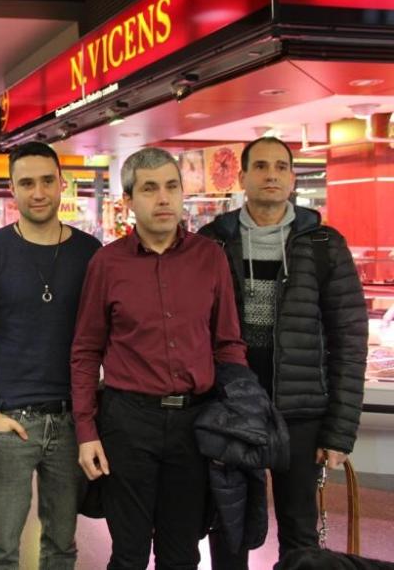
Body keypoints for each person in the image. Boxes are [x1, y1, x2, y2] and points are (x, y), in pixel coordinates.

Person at [70, 147, 248, 570]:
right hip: (128, 423)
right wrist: (85, 430)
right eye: (149, 189)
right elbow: (85, 350)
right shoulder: (107, 264)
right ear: (129, 200)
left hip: (194, 423)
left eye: (171, 186)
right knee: (128, 553)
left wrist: (242, 411)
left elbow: (227, 342)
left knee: (182, 553)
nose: (163, 198)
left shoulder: (209, 258)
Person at [198, 136, 368, 567]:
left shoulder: (323, 245)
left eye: (280, 166)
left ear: (292, 178)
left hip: (302, 412)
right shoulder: (212, 242)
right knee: (228, 522)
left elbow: (349, 339)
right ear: (242, 178)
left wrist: (338, 432)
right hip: (233, 409)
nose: (270, 174)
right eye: (260, 166)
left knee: (300, 531)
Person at [0, 142, 101, 568]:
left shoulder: (89, 252)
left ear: (62, 184)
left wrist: (89, 417)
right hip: (11, 423)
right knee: (2, 547)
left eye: (46, 181)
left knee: (62, 543)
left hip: (70, 419)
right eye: (26, 183)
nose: (38, 192)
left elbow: (101, 336)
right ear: (12, 189)